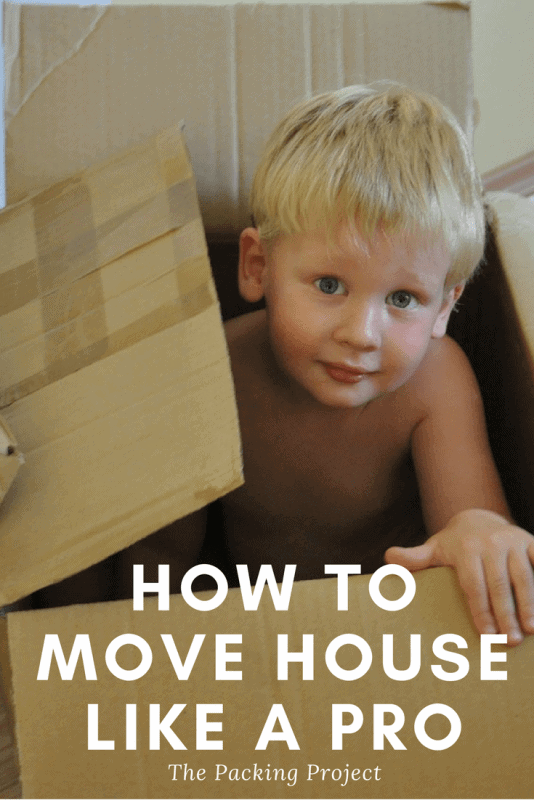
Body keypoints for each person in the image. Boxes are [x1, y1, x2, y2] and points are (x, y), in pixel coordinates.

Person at [120, 84, 534, 646]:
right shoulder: (213, 372)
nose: (361, 336)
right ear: (256, 266)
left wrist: (483, 536)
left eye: (403, 299)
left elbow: (473, 521)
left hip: (389, 633)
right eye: (330, 285)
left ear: (446, 306)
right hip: (248, 628)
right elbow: (159, 557)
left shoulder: (436, 381)